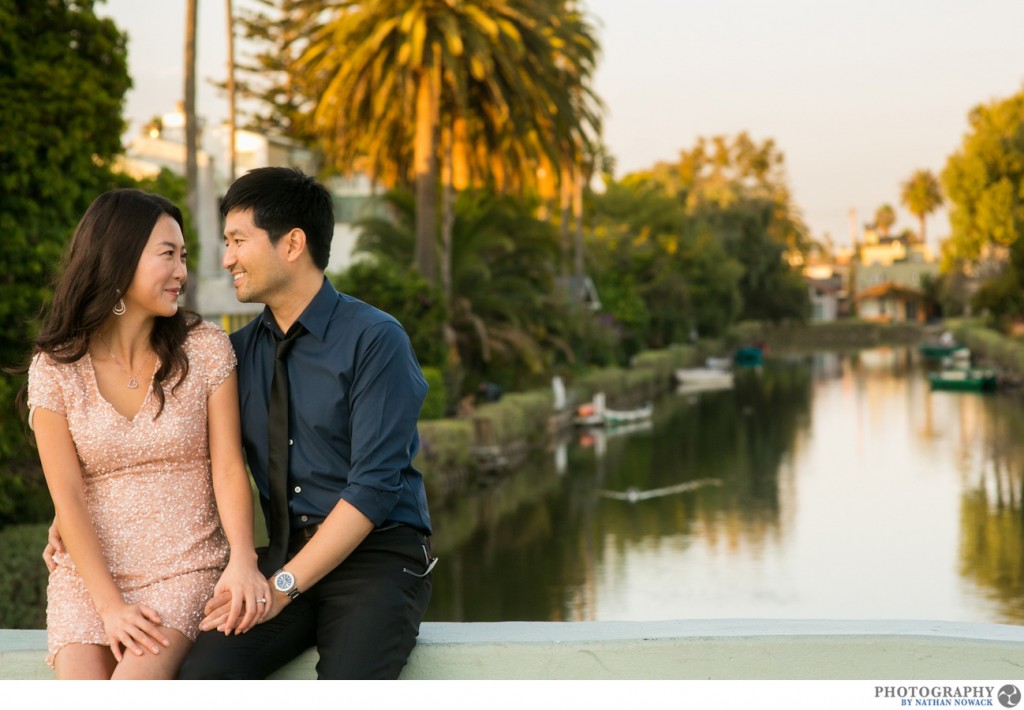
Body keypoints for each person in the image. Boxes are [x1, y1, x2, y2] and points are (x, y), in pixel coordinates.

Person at [177, 166, 435, 680]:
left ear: (292, 244)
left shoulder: (377, 340)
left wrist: (281, 589)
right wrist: (74, 517)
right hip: (281, 553)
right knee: (201, 678)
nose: (226, 258)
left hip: (377, 554)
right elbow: (176, 453)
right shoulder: (235, 353)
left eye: (238, 240)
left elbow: (373, 489)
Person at [26, 189, 270, 679]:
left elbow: (227, 468)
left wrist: (242, 558)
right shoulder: (54, 368)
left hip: (183, 568)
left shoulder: (205, 349)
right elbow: (67, 497)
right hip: (88, 579)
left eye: (183, 256)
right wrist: (111, 606)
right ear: (119, 258)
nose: (182, 271)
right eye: (168, 255)